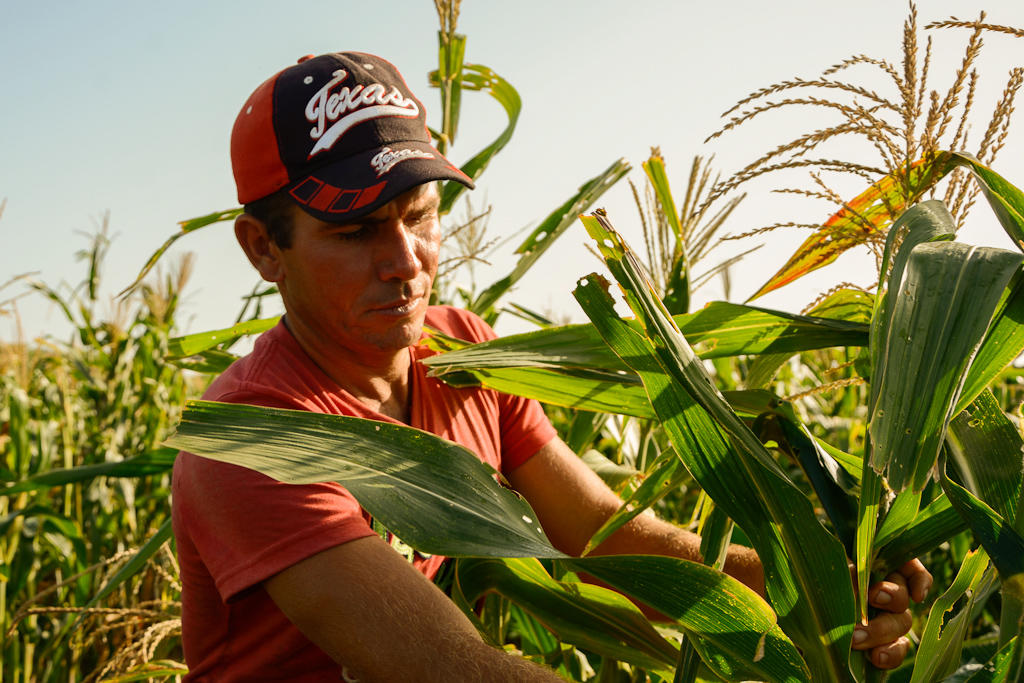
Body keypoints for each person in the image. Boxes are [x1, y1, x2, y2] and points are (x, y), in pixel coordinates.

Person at [171, 51, 931, 682]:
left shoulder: (460, 353)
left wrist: (827, 585)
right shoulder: (254, 441)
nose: (405, 263)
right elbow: (451, 670)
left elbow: (604, 539)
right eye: (356, 230)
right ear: (263, 248)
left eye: (419, 216)